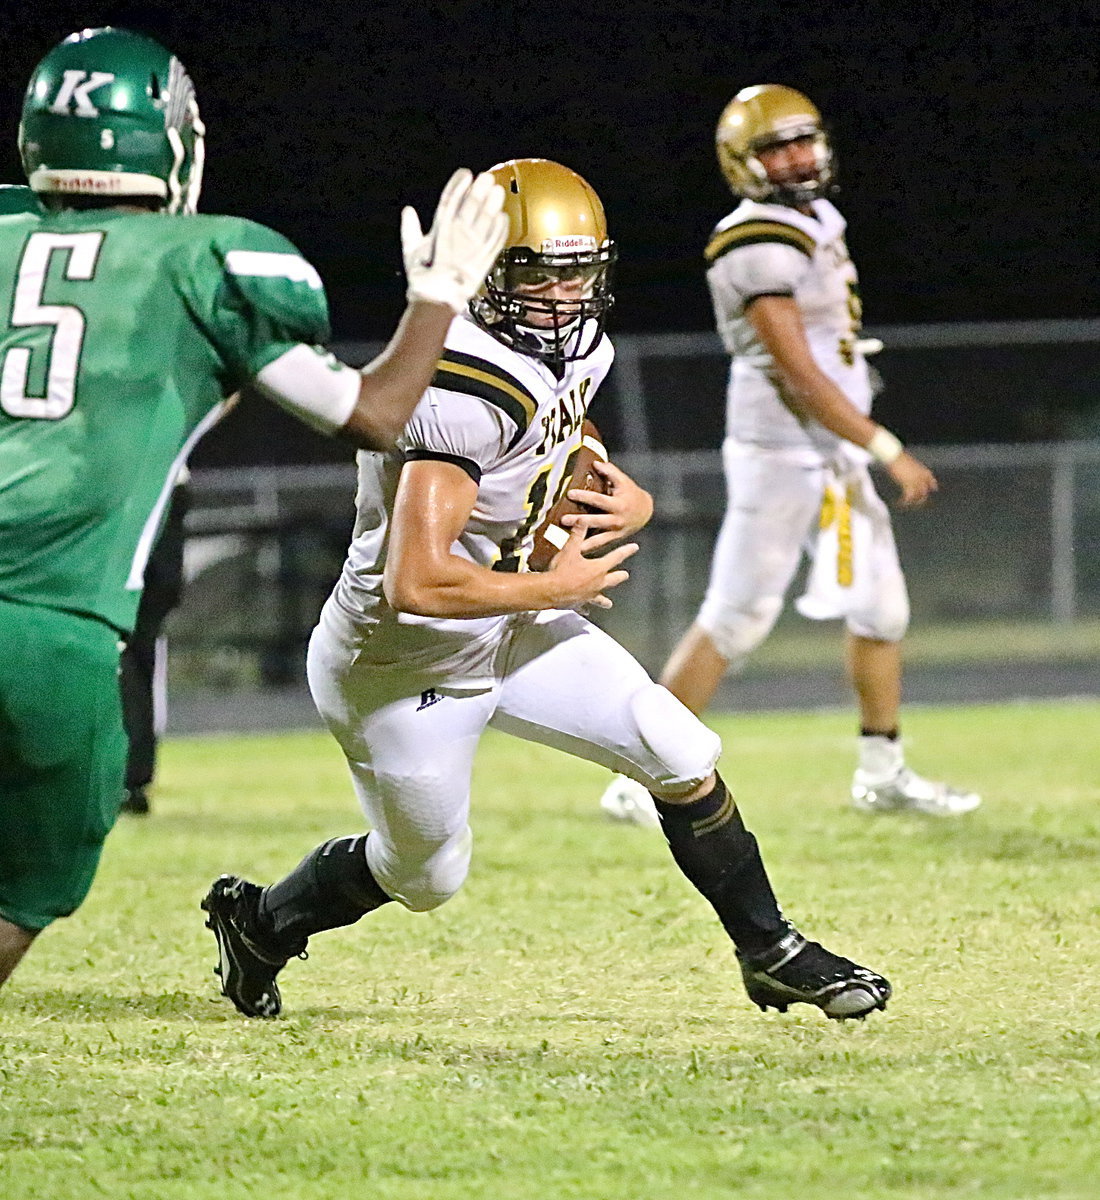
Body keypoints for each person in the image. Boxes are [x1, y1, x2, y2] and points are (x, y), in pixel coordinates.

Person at [201, 157, 891, 1025]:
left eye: (579, 270)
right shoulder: (461, 383)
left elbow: (563, 421)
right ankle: (260, 925)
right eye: (538, 273)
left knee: (676, 749)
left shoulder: (572, 345)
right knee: (426, 875)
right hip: (401, 657)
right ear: (488, 274)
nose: (563, 294)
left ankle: (773, 953)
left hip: (510, 619)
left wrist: (613, 483)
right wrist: (555, 583)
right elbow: (417, 578)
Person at [0, 25, 509, 990]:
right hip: (49, 626)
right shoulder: (212, 262)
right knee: (27, 890)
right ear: (172, 140)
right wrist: (438, 297)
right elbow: (374, 415)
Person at [599, 85, 980, 828]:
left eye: (804, 140)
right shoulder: (755, 238)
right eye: (777, 147)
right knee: (736, 616)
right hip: (782, 452)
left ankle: (882, 770)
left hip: (830, 451)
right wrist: (885, 447)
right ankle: (636, 777)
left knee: (881, 608)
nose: (798, 157)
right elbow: (798, 372)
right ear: (744, 162)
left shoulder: (811, 221)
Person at [118, 472, 190, 816]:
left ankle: (130, 778)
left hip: (147, 494)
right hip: (129, 494)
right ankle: (128, 777)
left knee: (136, 651)